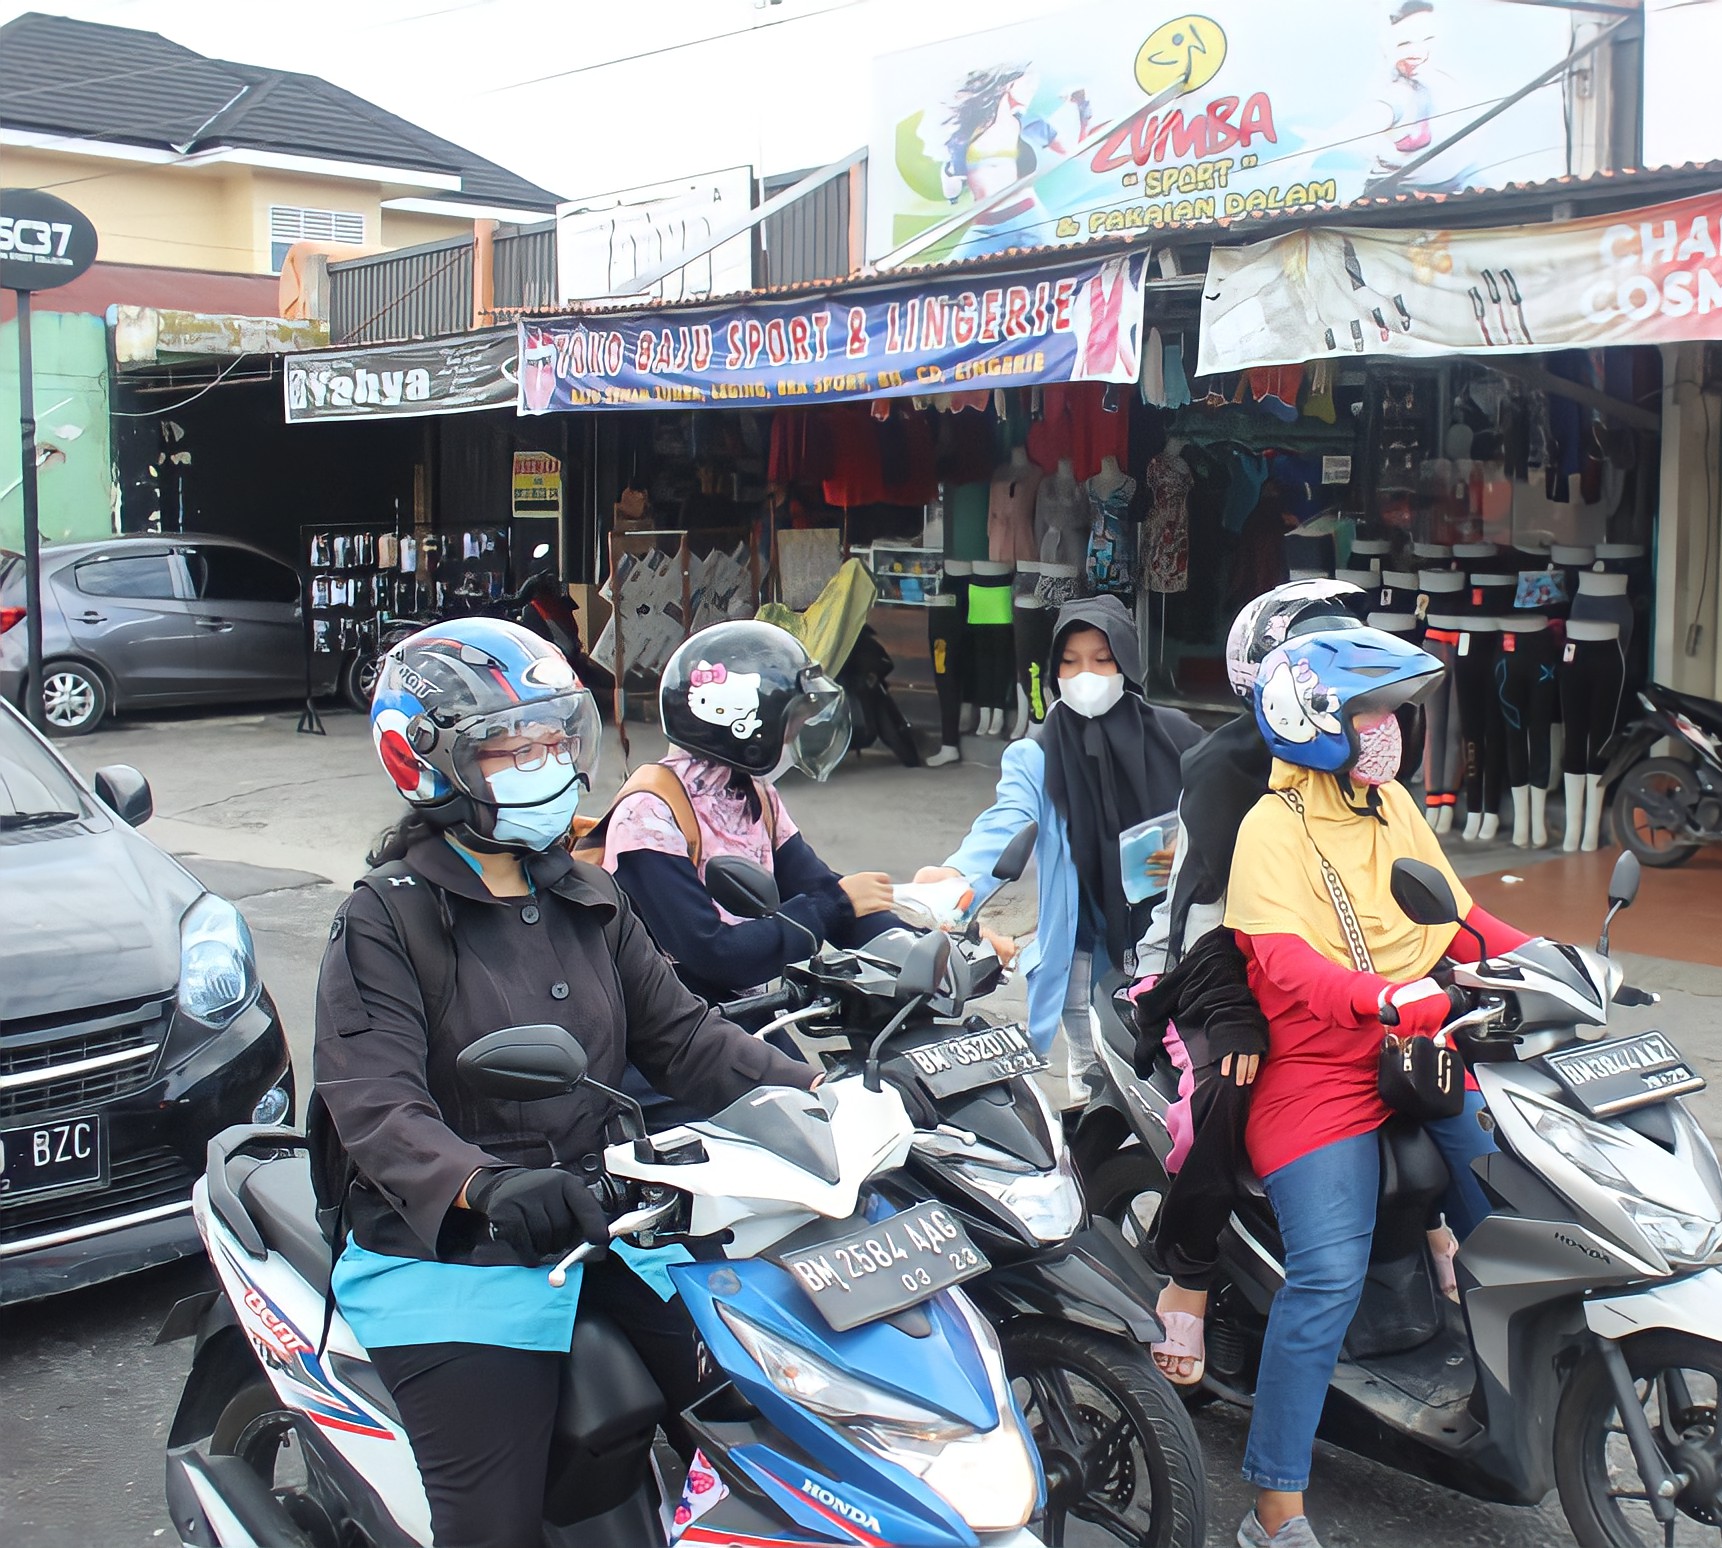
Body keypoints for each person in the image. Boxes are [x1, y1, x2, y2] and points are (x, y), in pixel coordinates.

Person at [315, 618, 817, 1548]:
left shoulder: (586, 895)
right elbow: (376, 1105)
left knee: (780, 1419)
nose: (546, 763)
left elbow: (689, 1041)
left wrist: (822, 1104)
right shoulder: (384, 921)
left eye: (556, 740)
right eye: (515, 747)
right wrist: (483, 1184)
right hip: (457, 1259)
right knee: (493, 1527)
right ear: (426, 764)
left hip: (614, 1227)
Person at [1224, 624, 1533, 1548]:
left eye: (1395, 713)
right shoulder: (1268, 829)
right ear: (1314, 717)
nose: (1391, 731)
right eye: (1373, 713)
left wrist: (1559, 964)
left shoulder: (1389, 803)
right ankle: (1274, 1504)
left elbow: (1461, 918)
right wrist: (1380, 994)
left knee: (1520, 1221)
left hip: (1424, 1050)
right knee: (1324, 1277)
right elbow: (1279, 963)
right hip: (1316, 1075)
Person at [1132, 578, 1372, 1387]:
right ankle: (1188, 1279)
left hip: (1317, 976)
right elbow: (1201, 912)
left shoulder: (1361, 762)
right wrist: (1229, 1012)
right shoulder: (1227, 767)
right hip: (1204, 973)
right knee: (1223, 1097)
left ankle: (1433, 1243)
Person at [917, 595, 1204, 1086]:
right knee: (1096, 1084)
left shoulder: (1177, 737)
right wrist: (958, 873)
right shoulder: (1037, 755)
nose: (1085, 675)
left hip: (1174, 948)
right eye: (1069, 663)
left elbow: (1224, 804)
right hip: (1085, 958)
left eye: (1101, 659)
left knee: (1175, 1084)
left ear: (1127, 662)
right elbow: (1006, 821)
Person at [588, 619, 900, 1006]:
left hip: (739, 1011)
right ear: (744, 727)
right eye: (791, 726)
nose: (796, 737)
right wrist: (835, 905)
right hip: (669, 1030)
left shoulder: (752, 794)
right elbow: (715, 955)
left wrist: (918, 946)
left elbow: (814, 884)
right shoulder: (648, 816)